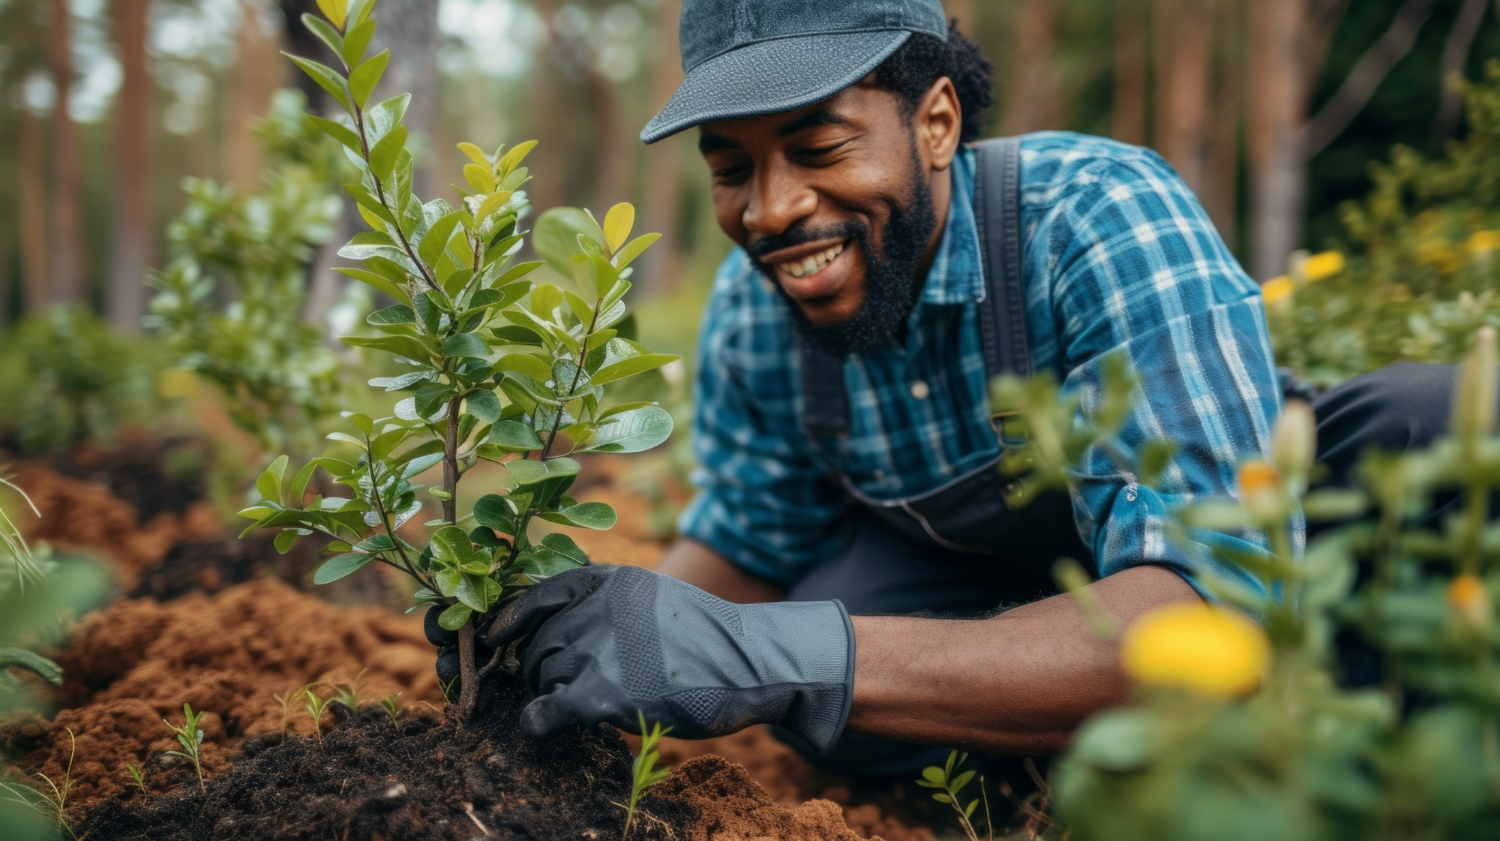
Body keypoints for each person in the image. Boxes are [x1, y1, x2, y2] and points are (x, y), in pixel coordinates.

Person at [431, 0, 1462, 777]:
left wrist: (781, 653)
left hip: (1273, 564)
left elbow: (1217, 605)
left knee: (1435, 432)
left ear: (935, 122)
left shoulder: (1095, 215)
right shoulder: (757, 312)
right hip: (1008, 601)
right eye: (732, 169)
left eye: (818, 146)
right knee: (834, 652)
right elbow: (750, 543)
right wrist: (588, 632)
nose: (772, 210)